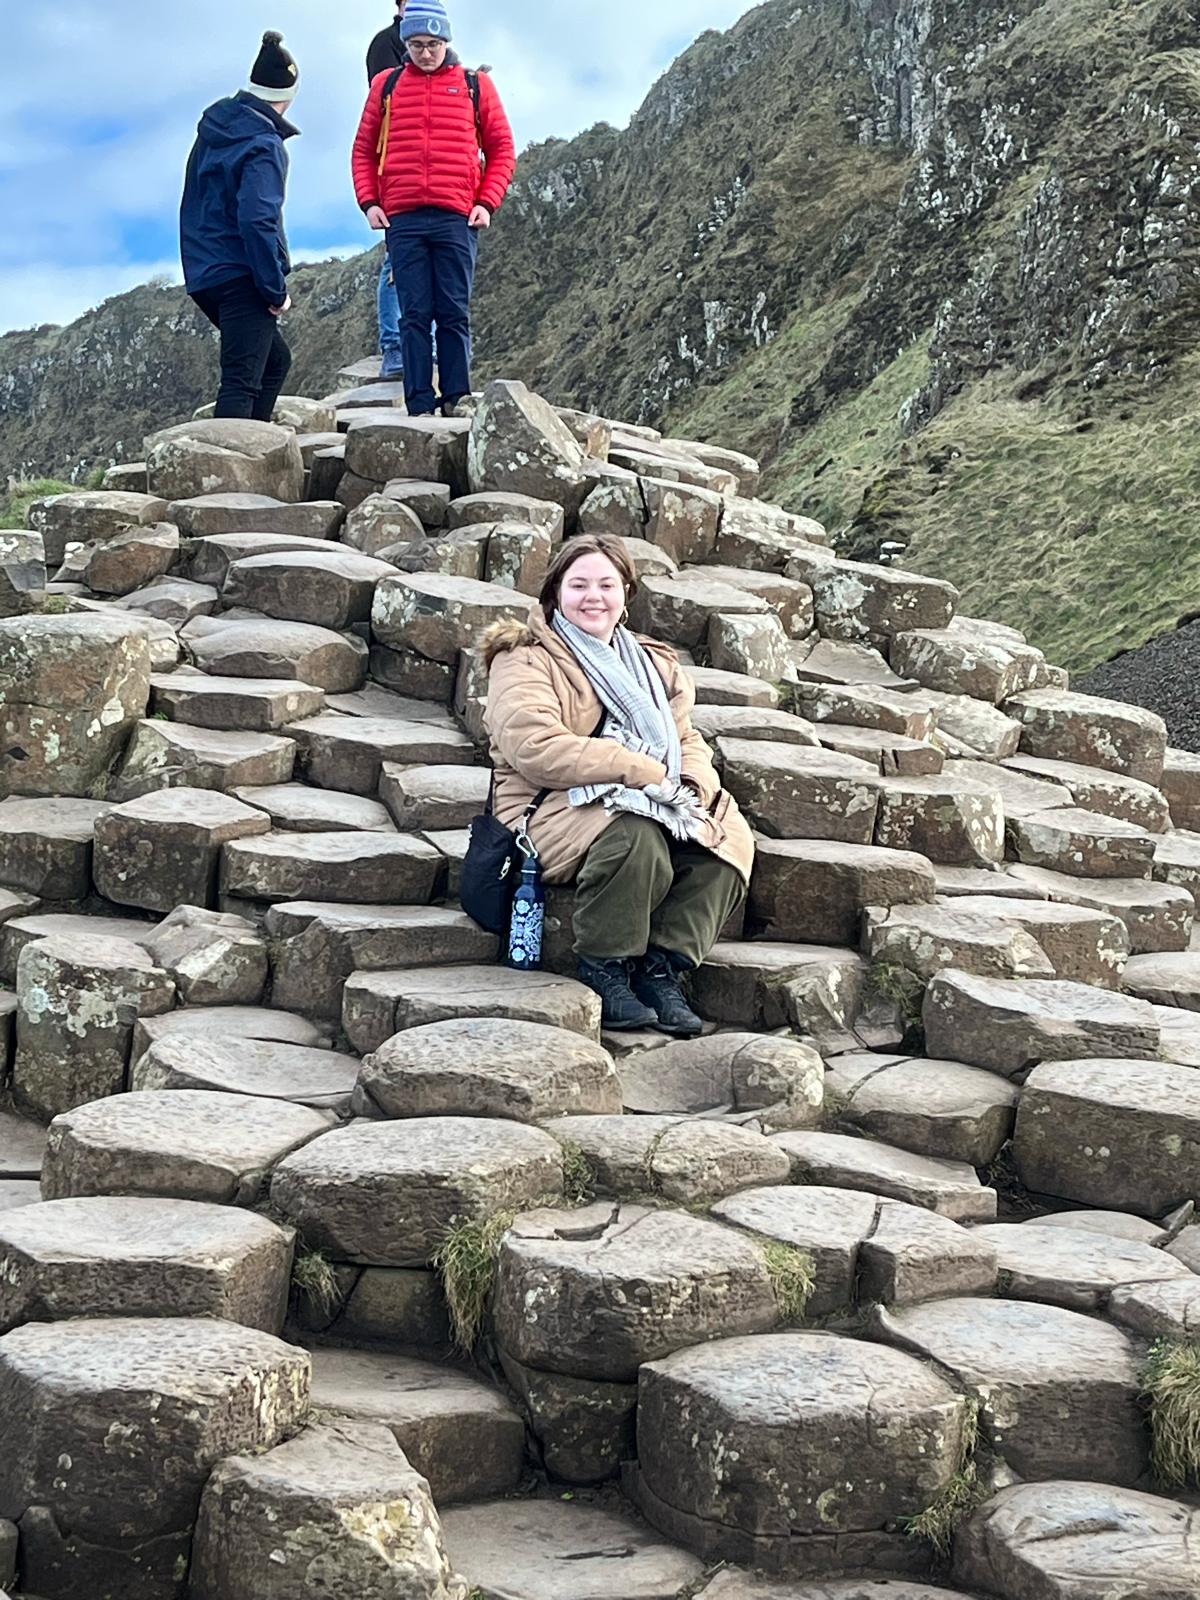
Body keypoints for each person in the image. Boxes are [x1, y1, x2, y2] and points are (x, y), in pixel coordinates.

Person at [481, 537, 755, 1037]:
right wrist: (638, 771)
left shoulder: (652, 663)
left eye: (607, 585)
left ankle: (661, 969)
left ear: (625, 594)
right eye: (578, 584)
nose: (594, 597)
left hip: (646, 789)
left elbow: (685, 737)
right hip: (547, 805)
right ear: (554, 593)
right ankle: (606, 968)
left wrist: (688, 783)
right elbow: (535, 748)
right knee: (637, 835)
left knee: (724, 836)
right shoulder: (523, 659)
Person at [352, 1, 516, 417]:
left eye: (434, 43)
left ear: (447, 41)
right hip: (402, 217)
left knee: (453, 312)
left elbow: (502, 149)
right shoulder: (386, 87)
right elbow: (363, 150)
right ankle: (419, 403)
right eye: (418, 44)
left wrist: (486, 201)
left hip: (456, 217)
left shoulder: (474, 85)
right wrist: (370, 202)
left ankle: (457, 398)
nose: (426, 52)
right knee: (413, 315)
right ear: (405, 42)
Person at [180, 31, 299, 421]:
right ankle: (229, 473)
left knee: (274, 361)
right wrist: (273, 288)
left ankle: (256, 448)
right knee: (241, 380)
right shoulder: (264, 145)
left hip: (204, 271)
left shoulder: (213, 131)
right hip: (242, 273)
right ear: (287, 97)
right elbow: (257, 219)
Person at [366, 0, 411, 380]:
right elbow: (386, 106)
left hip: (438, 175)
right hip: (397, 166)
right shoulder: (385, 44)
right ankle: (393, 345)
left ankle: (422, 347)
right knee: (396, 261)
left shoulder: (445, 49)